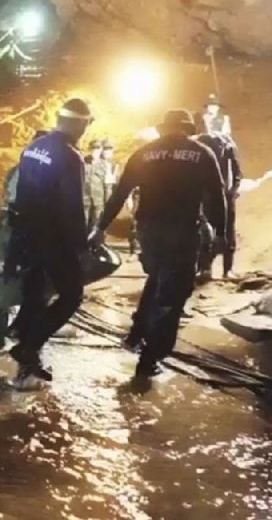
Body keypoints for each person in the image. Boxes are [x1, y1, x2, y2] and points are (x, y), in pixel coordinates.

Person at [90, 109, 226, 380]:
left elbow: (120, 192)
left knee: (158, 276)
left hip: (149, 234)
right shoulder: (201, 154)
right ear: (187, 128)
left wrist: (100, 227)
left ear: (163, 129)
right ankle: (149, 359)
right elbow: (217, 195)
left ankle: (137, 333)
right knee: (173, 297)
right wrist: (221, 232)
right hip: (182, 233)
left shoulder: (145, 153)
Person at [5, 98, 93, 389]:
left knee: (36, 296)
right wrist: (81, 249)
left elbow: (21, 196)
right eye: (86, 124)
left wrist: (16, 244)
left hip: (27, 237)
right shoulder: (70, 156)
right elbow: (73, 207)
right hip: (54, 240)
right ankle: (28, 347)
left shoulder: (33, 148)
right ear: (79, 123)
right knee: (71, 296)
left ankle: (26, 367)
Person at [0, 129, 49, 353]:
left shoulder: (19, 168)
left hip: (9, 227)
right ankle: (20, 344)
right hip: (18, 230)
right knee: (28, 284)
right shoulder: (35, 172)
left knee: (2, 282)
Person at [196, 94, 242, 280]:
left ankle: (227, 269)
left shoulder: (228, 146)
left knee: (228, 230)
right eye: (210, 106)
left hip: (225, 194)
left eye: (215, 106)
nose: (213, 109)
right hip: (207, 194)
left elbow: (237, 170)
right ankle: (204, 267)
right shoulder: (201, 144)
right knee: (205, 230)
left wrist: (234, 188)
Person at [83, 139, 103, 233]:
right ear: (90, 149)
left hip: (98, 200)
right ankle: (82, 245)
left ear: (101, 149)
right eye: (93, 148)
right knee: (83, 223)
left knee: (97, 225)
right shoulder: (82, 162)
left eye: (98, 148)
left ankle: (95, 245)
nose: (95, 150)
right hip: (84, 199)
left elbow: (107, 184)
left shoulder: (105, 165)